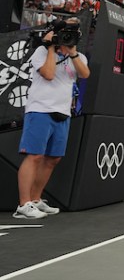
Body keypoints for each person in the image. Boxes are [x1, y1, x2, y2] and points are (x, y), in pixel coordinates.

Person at [14, 21, 90, 219]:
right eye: (64, 35)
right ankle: (24, 204)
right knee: (34, 156)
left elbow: (85, 74)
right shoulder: (41, 52)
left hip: (63, 112)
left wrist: (71, 52)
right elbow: (48, 74)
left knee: (53, 159)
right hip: (40, 109)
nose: (67, 39)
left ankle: (36, 199)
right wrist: (50, 48)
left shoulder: (79, 56)